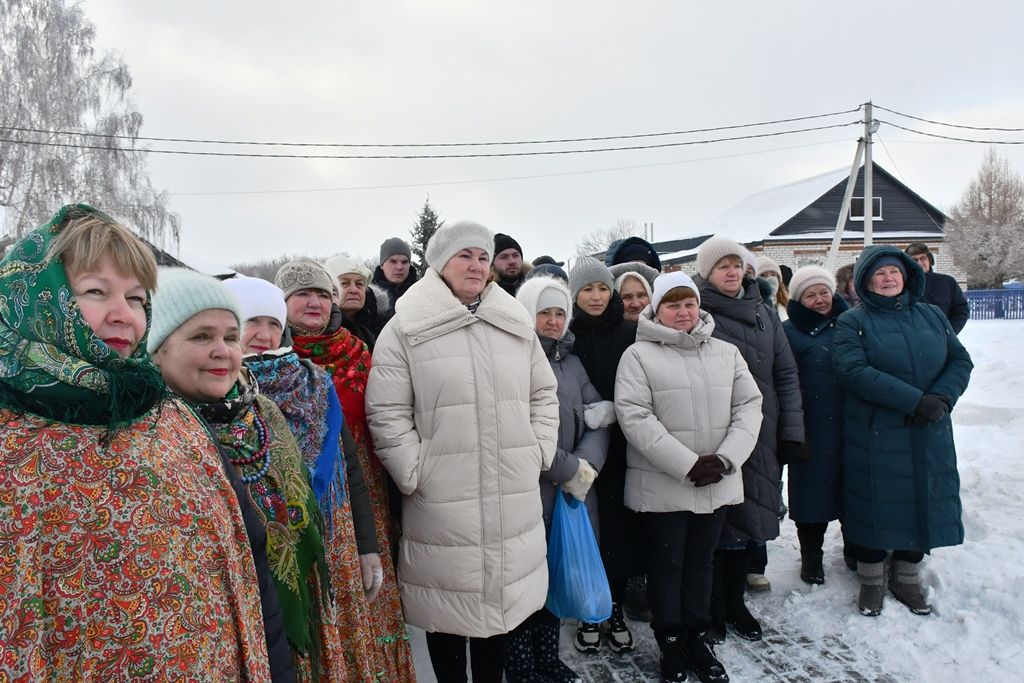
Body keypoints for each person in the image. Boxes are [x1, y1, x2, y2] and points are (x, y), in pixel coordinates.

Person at [0, 205, 282, 681]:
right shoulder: (13, 439)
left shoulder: (169, 418)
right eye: (94, 291)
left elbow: (250, 560)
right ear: (39, 298)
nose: (122, 315)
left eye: (134, 297)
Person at [365, 220, 559, 683]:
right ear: (439, 263)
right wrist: (415, 471)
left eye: (482, 256)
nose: (475, 265)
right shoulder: (406, 326)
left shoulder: (514, 322)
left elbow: (543, 395)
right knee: (448, 610)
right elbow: (387, 411)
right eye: (463, 255)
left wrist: (537, 452)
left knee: (500, 612)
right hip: (442, 497)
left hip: (512, 488)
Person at [149, 268, 340, 680]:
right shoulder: (154, 434)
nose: (223, 350)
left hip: (281, 621)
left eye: (229, 337)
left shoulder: (261, 411)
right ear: (156, 348)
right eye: (201, 337)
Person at [226, 275, 416, 681]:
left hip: (332, 545)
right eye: (251, 322)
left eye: (273, 323)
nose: (263, 334)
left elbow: (350, 470)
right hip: (264, 554)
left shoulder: (314, 382)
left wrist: (367, 547)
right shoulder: (220, 393)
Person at [616, 271, 762, 683]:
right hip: (664, 484)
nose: (683, 312)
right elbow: (635, 416)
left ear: (699, 307)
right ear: (657, 310)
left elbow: (749, 406)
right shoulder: (639, 355)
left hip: (717, 479)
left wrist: (725, 459)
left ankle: (699, 636)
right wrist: (687, 463)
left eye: (689, 303)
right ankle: (672, 644)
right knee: (667, 564)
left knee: (702, 563)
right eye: (673, 304)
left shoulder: (726, 352)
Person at [833, 246, 973, 617]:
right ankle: (872, 580)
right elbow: (853, 371)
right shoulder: (853, 321)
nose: (889, 278)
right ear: (865, 281)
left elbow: (960, 358)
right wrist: (914, 401)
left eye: (894, 271)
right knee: (876, 504)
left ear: (907, 275)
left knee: (923, 499)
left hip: (930, 427)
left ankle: (907, 577)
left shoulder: (931, 315)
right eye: (879, 274)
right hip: (878, 431)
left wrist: (941, 397)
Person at [692, 237, 805, 643]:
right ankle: (712, 605)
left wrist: (791, 432)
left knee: (749, 521)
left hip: (764, 429)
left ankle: (735, 601)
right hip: (717, 431)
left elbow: (786, 373)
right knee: (716, 520)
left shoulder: (762, 311)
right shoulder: (697, 310)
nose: (731, 271)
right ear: (707, 272)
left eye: (736, 264)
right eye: (721, 265)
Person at [506, 275, 611, 683]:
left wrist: (584, 468)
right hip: (527, 490)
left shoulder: (572, 361)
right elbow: (519, 431)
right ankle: (520, 666)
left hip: (570, 493)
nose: (553, 321)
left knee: (552, 578)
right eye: (544, 313)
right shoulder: (513, 360)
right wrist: (569, 470)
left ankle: (548, 658)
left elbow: (598, 417)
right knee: (522, 582)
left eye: (559, 313)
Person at [567, 256, 642, 654]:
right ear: (574, 294)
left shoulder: (631, 332)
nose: (595, 297)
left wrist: (617, 408)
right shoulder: (566, 334)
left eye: (601, 288)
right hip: (579, 450)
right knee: (584, 533)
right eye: (587, 289)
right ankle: (587, 609)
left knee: (616, 531)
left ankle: (613, 606)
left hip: (625, 445)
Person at [783, 266, 850, 585]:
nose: (820, 299)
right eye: (811, 294)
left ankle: (855, 547)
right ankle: (812, 555)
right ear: (798, 299)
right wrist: (793, 430)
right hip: (810, 425)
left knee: (853, 491)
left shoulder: (851, 324)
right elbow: (784, 381)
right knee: (811, 495)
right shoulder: (789, 332)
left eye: (824, 292)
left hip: (852, 425)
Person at [904, 242, 969, 333]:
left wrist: (949, 332)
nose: (920, 263)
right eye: (914, 260)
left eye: (923, 258)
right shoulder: (903, 286)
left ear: (929, 260)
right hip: (911, 341)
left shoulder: (947, 282)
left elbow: (961, 310)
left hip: (942, 341)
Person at [324, 254, 386, 347]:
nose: (354, 290)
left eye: (359, 284)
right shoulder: (317, 329)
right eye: (344, 283)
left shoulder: (382, 327)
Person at [372, 237, 419, 325]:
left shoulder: (421, 292)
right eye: (393, 261)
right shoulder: (369, 295)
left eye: (404, 262)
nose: (399, 267)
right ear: (382, 265)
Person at [755, 256, 790, 322]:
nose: (770, 279)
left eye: (773, 274)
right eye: (762, 275)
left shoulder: (787, 306)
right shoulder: (750, 307)